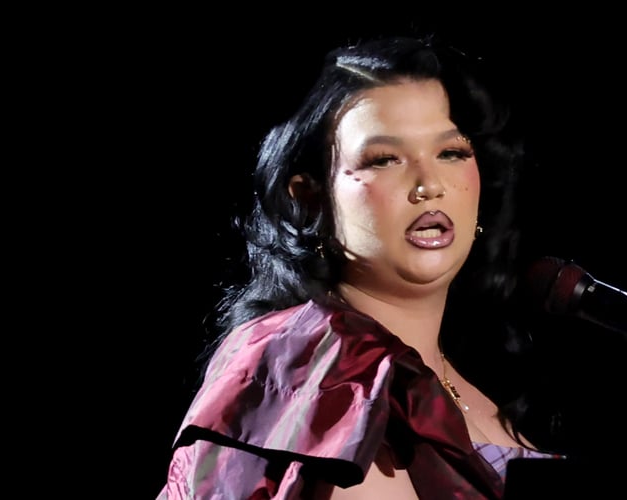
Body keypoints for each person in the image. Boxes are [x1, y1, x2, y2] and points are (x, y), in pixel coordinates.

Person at [156, 34, 566, 499]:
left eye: (451, 153)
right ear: (310, 198)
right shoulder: (303, 363)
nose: (429, 184)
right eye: (383, 159)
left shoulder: (474, 380)